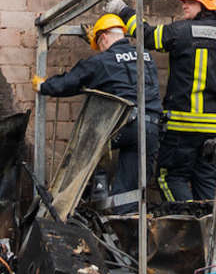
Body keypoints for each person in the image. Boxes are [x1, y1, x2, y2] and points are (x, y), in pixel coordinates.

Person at [135, 0, 216, 207]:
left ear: (206, 4)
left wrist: (123, 12)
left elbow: (146, 36)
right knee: (206, 180)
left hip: (182, 127)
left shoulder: (180, 31)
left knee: (169, 177)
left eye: (190, 1)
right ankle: (210, 233)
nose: (184, 5)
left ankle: (191, 226)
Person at [33, 12, 158, 198]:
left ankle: (94, 191)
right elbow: (123, 70)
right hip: (152, 128)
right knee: (130, 192)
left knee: (89, 144)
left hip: (125, 126)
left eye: (99, 44)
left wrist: (43, 86)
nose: (99, 50)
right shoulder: (146, 56)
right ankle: (126, 222)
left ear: (105, 38)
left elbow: (71, 82)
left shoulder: (102, 61)